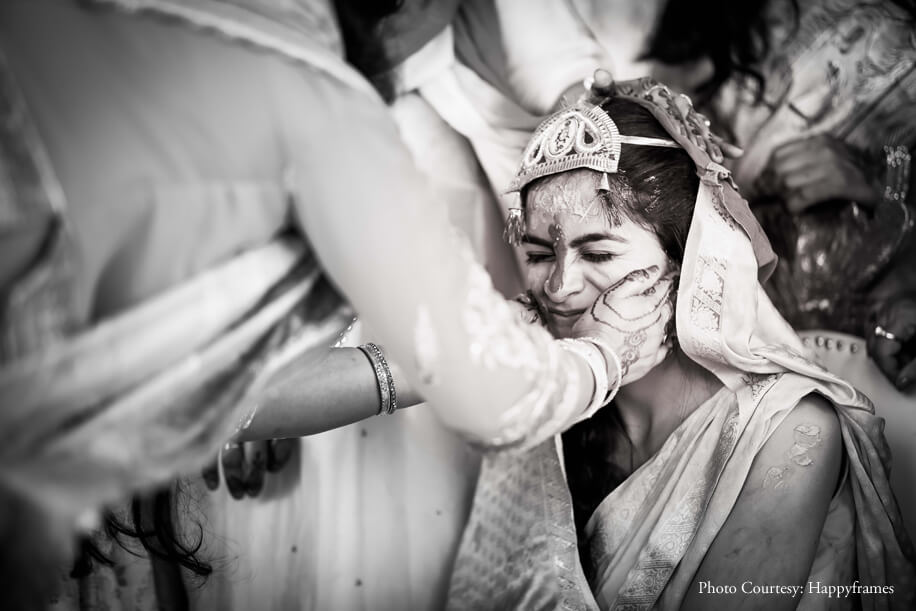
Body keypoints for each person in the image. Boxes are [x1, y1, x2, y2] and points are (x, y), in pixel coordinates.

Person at [0, 1, 666, 609]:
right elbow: (496, 400)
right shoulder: (314, 96)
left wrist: (243, 384)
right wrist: (603, 356)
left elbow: (215, 385)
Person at [441, 77, 916, 609]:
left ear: (689, 259)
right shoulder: (546, 385)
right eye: (539, 254)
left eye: (598, 255)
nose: (558, 287)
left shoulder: (786, 431)